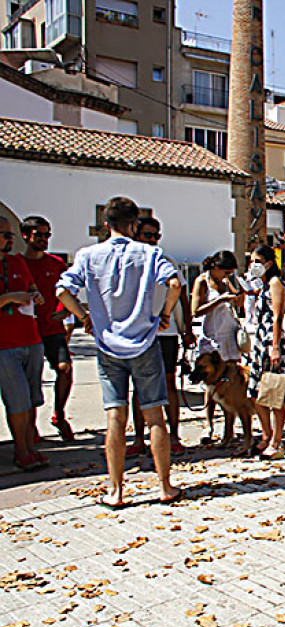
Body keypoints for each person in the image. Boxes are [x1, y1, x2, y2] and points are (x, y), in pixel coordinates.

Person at [56, 197, 182, 507]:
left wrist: (84, 317)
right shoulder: (150, 253)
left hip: (107, 343)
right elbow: (175, 284)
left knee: (115, 415)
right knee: (154, 415)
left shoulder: (88, 255)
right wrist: (165, 314)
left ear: (106, 224)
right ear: (134, 225)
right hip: (144, 340)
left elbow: (62, 290)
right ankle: (165, 485)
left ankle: (115, 490)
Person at [128, 217, 194, 457]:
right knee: (139, 387)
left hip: (167, 333)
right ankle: (139, 439)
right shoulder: (129, 263)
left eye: (156, 236)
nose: (153, 240)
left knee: (168, 383)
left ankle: (174, 435)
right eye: (148, 235)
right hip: (138, 333)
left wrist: (186, 329)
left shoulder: (167, 262)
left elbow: (182, 296)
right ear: (136, 235)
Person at [20, 215, 74, 441]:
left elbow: (68, 291)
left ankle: (59, 414)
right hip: (26, 331)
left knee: (65, 368)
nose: (44, 239)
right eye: (39, 235)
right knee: (29, 378)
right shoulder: (17, 263)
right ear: (25, 236)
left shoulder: (56, 264)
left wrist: (66, 311)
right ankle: (30, 426)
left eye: (47, 235)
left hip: (53, 329)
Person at [0, 216, 46, 470]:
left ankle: (30, 446)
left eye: (11, 235)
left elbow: (32, 287)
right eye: (5, 235)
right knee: (17, 399)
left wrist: (35, 295)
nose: (11, 240)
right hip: (5, 345)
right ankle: (20, 450)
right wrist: (8, 298)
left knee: (31, 398)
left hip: (31, 339)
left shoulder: (16, 262)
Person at [192, 250, 244, 445]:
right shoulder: (202, 282)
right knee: (211, 383)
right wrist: (219, 300)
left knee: (231, 381)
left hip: (229, 335)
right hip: (212, 336)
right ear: (215, 267)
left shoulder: (227, 282)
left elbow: (239, 302)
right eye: (225, 272)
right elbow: (195, 310)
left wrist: (238, 290)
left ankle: (229, 428)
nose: (227, 275)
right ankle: (209, 424)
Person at [246, 245, 285, 458]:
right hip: (260, 341)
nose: (253, 265)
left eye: (257, 261)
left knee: (274, 393)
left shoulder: (275, 283)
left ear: (268, 263)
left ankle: (276, 440)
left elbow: (277, 316)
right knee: (258, 393)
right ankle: (266, 434)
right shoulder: (262, 285)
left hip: (271, 341)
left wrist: (274, 346)